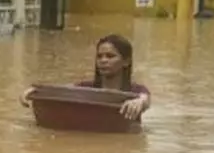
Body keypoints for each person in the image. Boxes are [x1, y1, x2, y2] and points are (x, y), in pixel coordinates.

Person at [19, 34, 152, 120]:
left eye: (110, 56)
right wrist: (34, 91)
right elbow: (60, 91)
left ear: (126, 61)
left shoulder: (135, 91)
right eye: (99, 56)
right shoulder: (86, 89)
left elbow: (144, 99)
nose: (103, 60)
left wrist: (138, 102)